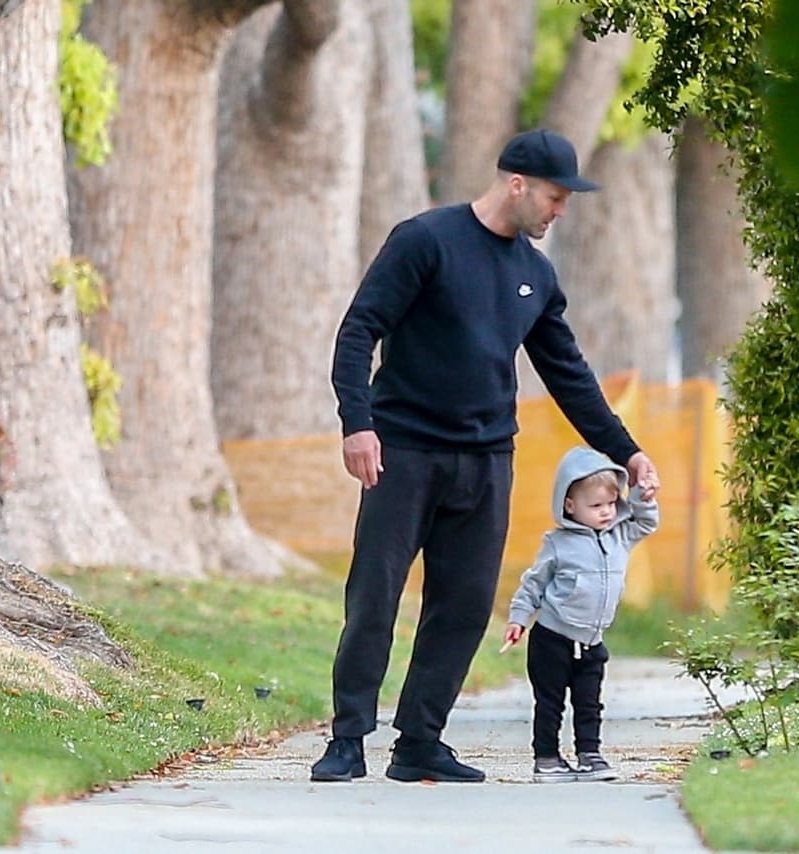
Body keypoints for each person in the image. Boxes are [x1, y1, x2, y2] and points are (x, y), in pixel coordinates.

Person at [312, 128, 660, 784]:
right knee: (375, 597)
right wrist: (357, 424)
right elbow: (359, 330)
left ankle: (419, 742)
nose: (561, 212)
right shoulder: (425, 240)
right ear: (517, 183)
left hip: (486, 460)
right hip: (404, 452)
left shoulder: (535, 274)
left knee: (466, 604)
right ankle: (347, 740)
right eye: (555, 198)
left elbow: (570, 376)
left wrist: (628, 452)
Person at [503, 446, 658, 783]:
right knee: (550, 702)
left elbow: (646, 522)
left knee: (590, 703)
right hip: (552, 639)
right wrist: (518, 618)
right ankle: (546, 759)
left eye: (611, 504)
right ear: (570, 506)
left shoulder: (619, 536)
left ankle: (590, 755)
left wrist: (643, 497)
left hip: (592, 641)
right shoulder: (558, 544)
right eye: (596, 505)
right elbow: (534, 584)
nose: (606, 512)